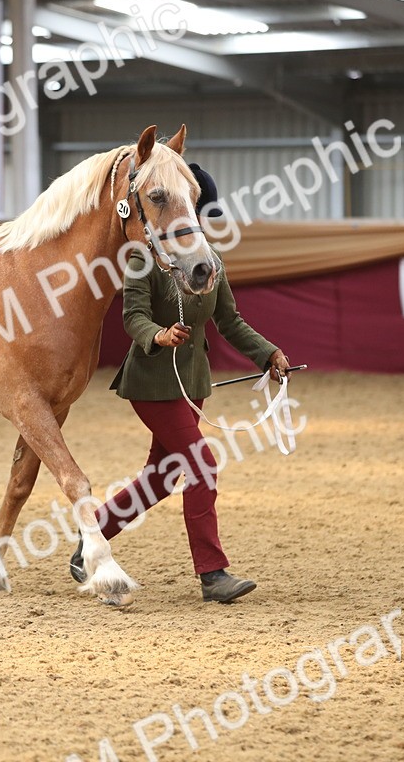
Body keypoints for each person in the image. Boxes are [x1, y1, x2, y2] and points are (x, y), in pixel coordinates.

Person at [70, 163, 289, 604]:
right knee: (202, 466)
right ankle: (213, 574)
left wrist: (268, 353)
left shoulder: (210, 264)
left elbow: (230, 322)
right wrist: (158, 334)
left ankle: (90, 537)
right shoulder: (142, 258)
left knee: (160, 477)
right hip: (151, 385)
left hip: (192, 387)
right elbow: (132, 317)